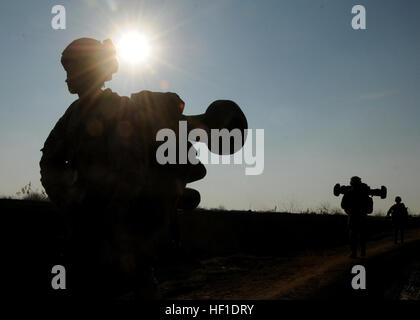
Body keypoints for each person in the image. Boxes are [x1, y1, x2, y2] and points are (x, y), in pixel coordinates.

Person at [40, 38, 205, 299]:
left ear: (90, 68)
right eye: (67, 71)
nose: (68, 78)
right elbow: (49, 161)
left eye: (72, 70)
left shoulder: (118, 109)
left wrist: (106, 213)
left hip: (122, 233)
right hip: (89, 231)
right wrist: (70, 200)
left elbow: (135, 167)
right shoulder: (73, 115)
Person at [340, 176, 373, 258]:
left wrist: (348, 211)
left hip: (354, 216)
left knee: (354, 236)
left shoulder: (349, 192)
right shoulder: (363, 192)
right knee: (360, 235)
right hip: (360, 216)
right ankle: (361, 251)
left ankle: (355, 252)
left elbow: (343, 204)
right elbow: (369, 205)